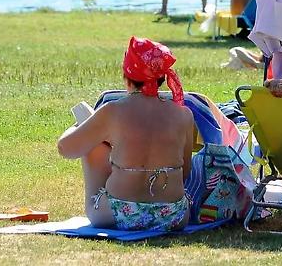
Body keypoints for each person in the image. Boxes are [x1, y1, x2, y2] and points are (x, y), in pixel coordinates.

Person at [57, 37, 195, 231]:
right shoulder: (184, 115)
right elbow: (185, 171)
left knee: (94, 146)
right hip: (174, 215)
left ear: (127, 76)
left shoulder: (113, 111)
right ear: (161, 77)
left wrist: (77, 126)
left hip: (120, 214)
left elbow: (66, 149)